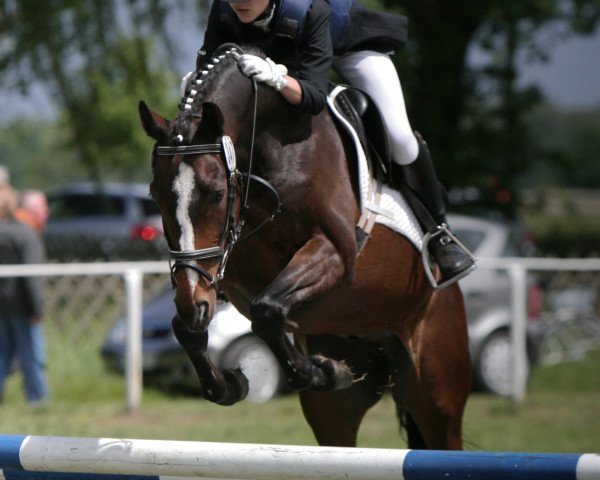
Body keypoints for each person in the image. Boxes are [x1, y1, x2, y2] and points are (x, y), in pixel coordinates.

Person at [192, 0, 475, 286]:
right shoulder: (225, 8)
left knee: (399, 136)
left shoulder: (311, 9)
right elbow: (209, 69)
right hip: (287, 55)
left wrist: (278, 79)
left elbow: (314, 97)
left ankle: (440, 233)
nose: (239, 1)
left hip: (351, 49)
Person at [0, 186, 49, 406]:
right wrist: (37, 308)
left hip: (2, 305)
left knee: (3, 353)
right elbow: (32, 276)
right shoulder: (25, 234)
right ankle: (37, 398)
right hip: (21, 306)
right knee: (31, 354)